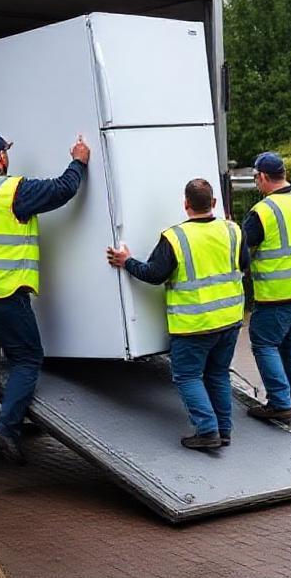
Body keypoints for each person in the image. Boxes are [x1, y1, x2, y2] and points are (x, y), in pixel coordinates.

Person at [0, 132, 90, 462]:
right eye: (6, 152)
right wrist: (78, 161)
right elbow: (63, 189)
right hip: (3, 292)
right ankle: (6, 429)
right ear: (1, 156)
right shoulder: (11, 190)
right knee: (27, 358)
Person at [107, 179, 249, 450]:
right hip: (230, 320)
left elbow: (154, 274)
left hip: (193, 324)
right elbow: (244, 265)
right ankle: (224, 430)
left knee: (187, 376)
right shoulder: (233, 230)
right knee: (218, 374)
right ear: (214, 203)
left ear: (185, 205)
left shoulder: (175, 237)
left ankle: (207, 431)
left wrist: (127, 262)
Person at [243, 151, 291, 432]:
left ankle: (279, 403)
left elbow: (240, 252)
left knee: (264, 344)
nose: (256, 183)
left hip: (277, 297)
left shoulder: (263, 211)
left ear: (263, 177)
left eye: (256, 178)